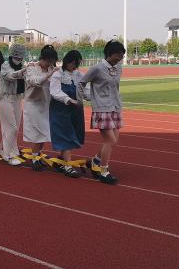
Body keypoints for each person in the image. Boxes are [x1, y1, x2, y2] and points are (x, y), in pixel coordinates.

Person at [79, 40, 126, 184]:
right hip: (101, 109)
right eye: (118, 56)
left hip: (115, 107)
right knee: (110, 141)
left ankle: (95, 161)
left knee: (113, 141)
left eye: (122, 56)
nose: (119, 59)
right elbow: (81, 83)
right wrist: (86, 98)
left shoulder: (118, 68)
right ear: (109, 54)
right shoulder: (97, 68)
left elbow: (115, 87)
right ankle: (104, 172)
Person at [48, 50, 87, 178]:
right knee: (66, 135)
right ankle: (68, 166)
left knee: (74, 134)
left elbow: (86, 91)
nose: (75, 66)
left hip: (75, 110)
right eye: (73, 63)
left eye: (77, 64)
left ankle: (61, 159)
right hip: (60, 110)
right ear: (67, 61)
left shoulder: (79, 75)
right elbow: (55, 91)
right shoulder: (58, 75)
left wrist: (94, 97)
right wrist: (69, 100)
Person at [22, 45, 58, 167]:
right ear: (42, 58)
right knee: (38, 133)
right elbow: (33, 81)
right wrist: (48, 75)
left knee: (45, 133)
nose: (49, 64)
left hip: (46, 104)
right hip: (33, 104)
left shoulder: (51, 69)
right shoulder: (31, 68)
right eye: (48, 61)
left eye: (52, 62)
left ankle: (37, 155)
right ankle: (35, 158)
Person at [0, 42, 27, 166]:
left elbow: (27, 80)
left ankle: (3, 149)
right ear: (13, 55)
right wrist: (23, 71)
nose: (19, 59)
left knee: (15, 127)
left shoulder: (22, 65)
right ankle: (8, 154)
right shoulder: (5, 65)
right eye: (17, 56)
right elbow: (10, 76)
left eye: (21, 57)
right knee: (11, 127)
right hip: (6, 98)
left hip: (18, 98)